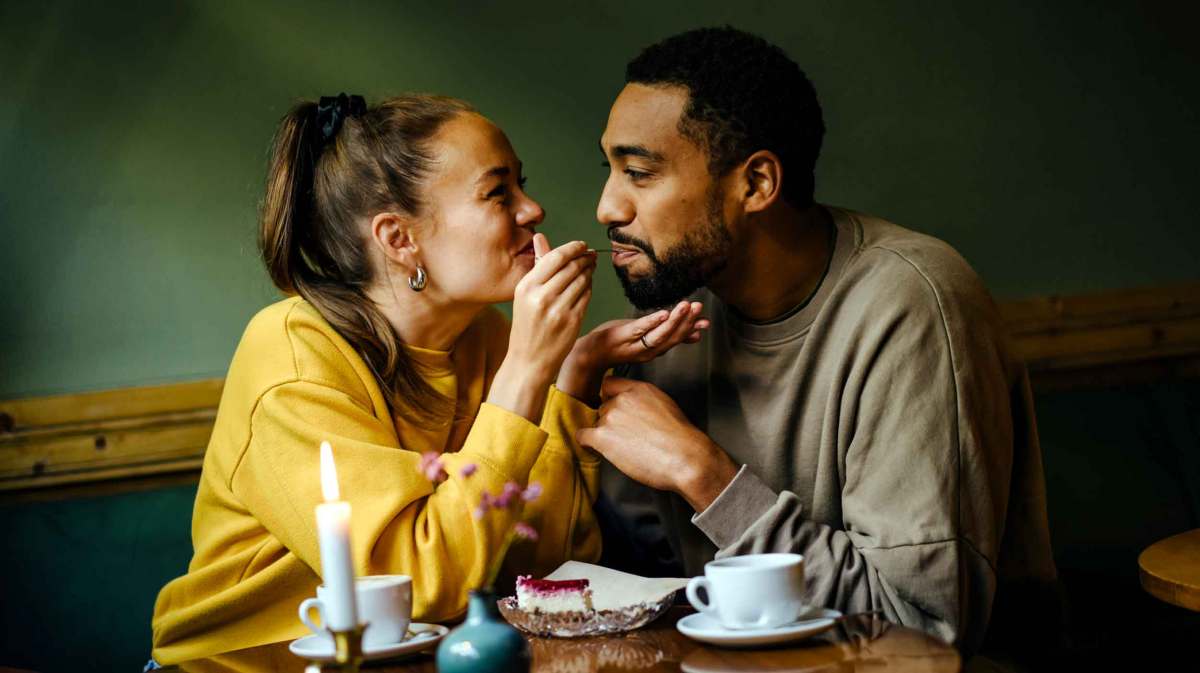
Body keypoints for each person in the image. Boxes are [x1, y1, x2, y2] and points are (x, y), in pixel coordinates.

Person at [150, 93, 704, 664]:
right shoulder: (293, 358)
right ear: (398, 238)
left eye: (522, 184)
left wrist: (568, 377)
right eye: (498, 192)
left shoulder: (486, 336)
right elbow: (415, 588)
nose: (532, 209)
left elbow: (542, 569)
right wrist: (527, 369)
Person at [574, 28, 1060, 657]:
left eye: (639, 173)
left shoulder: (912, 305)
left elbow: (921, 634)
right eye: (610, 169)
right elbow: (641, 585)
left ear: (756, 184)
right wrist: (563, 383)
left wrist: (708, 478)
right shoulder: (678, 311)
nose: (607, 206)